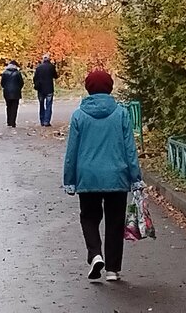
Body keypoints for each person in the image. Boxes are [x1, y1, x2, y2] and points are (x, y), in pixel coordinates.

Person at [62, 69, 142, 283]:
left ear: (88, 88)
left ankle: (95, 254)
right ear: (110, 87)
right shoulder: (121, 113)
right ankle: (113, 270)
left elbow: (72, 151)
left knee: (89, 217)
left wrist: (69, 180)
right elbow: (129, 148)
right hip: (117, 176)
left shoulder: (79, 115)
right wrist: (135, 177)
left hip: (88, 177)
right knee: (115, 222)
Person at [33, 52, 58, 126]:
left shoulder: (38, 67)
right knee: (49, 105)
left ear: (43, 59)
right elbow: (55, 76)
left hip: (40, 89)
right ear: (49, 59)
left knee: (41, 105)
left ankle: (42, 120)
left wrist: (36, 85)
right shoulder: (51, 67)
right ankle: (47, 121)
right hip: (49, 88)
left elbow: (35, 78)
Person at [0, 59, 24, 127]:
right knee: (14, 107)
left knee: (8, 107)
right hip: (16, 92)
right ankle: (13, 122)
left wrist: (6, 88)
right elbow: (21, 83)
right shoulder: (18, 73)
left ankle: (8, 121)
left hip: (7, 92)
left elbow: (2, 83)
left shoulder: (5, 73)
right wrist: (18, 88)